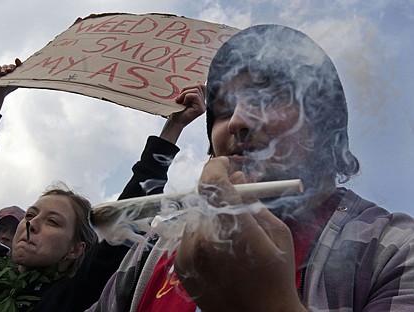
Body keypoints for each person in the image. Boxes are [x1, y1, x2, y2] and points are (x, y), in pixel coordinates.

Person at [89, 24, 414, 312]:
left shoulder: (394, 250)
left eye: (267, 100)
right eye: (223, 109)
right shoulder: (157, 245)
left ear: (324, 127)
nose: (238, 121)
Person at [0, 59, 205, 311]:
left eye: (53, 222)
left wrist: (173, 127)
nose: (30, 224)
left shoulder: (69, 297)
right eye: (31, 214)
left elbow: (127, 219)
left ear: (75, 249)